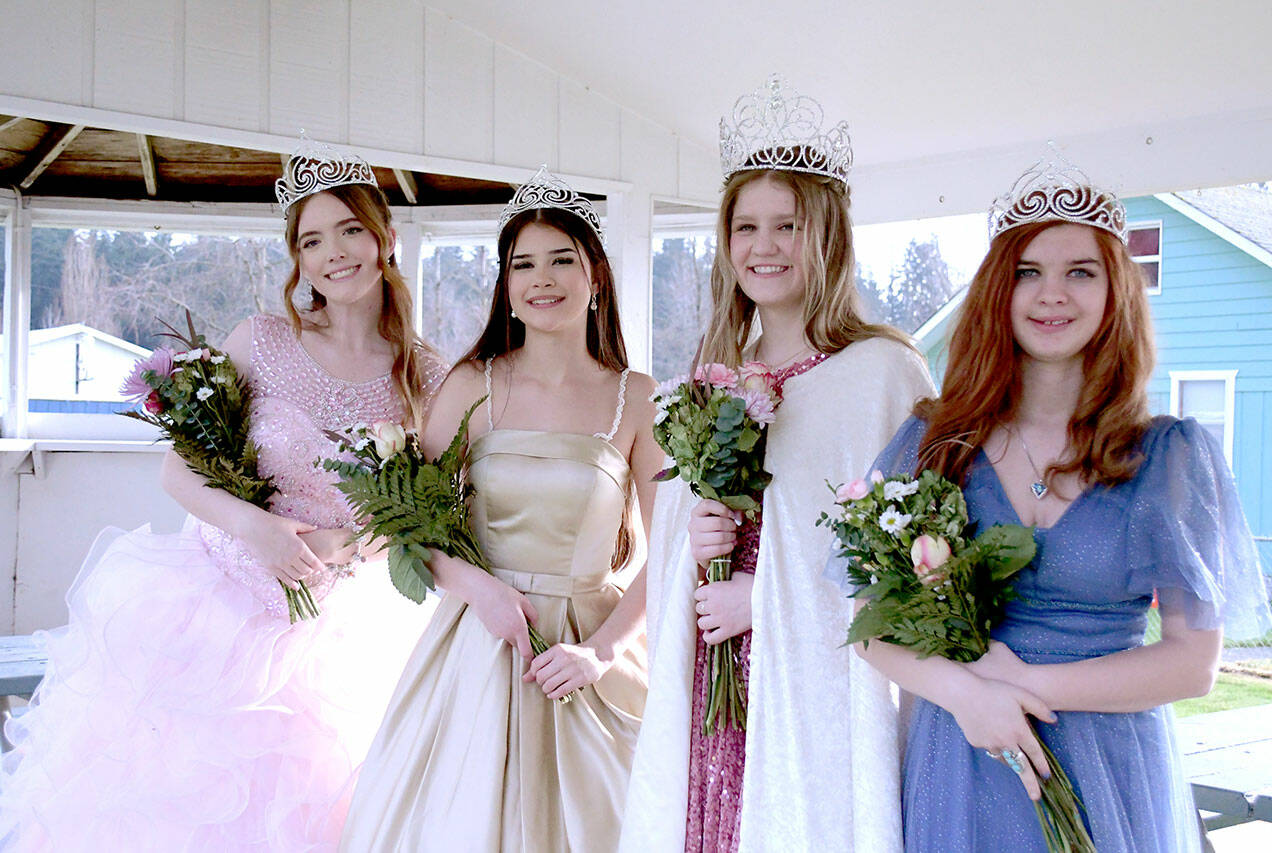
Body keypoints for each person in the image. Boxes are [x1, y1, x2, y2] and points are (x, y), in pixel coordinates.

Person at [0, 140, 447, 852]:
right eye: (312, 239)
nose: (335, 253)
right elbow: (181, 471)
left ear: (385, 238)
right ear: (297, 258)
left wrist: (356, 546)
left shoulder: (425, 373)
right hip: (216, 612)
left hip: (342, 632)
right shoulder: (261, 340)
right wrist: (259, 529)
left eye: (350, 230)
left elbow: (428, 505)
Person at [850, 151, 1272, 851]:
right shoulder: (936, 442)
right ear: (997, 292)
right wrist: (969, 697)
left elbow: (1193, 663)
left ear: (1115, 293)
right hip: (967, 760)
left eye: (1080, 271)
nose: (1053, 295)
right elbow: (869, 621)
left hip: (1109, 764)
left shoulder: (1166, 456)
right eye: (1028, 273)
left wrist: (1025, 681)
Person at [620, 75, 935, 853]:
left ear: (825, 234)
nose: (762, 247)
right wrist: (689, 539)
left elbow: (913, 560)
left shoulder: (881, 373)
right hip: (714, 690)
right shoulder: (712, 377)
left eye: (787, 225)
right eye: (745, 226)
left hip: (816, 690)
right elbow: (667, 540)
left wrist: (766, 599)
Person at [337, 166, 660, 852]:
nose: (543, 279)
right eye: (524, 265)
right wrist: (476, 588)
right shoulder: (468, 384)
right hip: (480, 645)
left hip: (587, 655)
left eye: (561, 260)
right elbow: (407, 522)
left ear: (595, 275)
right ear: (507, 288)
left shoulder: (636, 396)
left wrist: (601, 654)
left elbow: (672, 551)